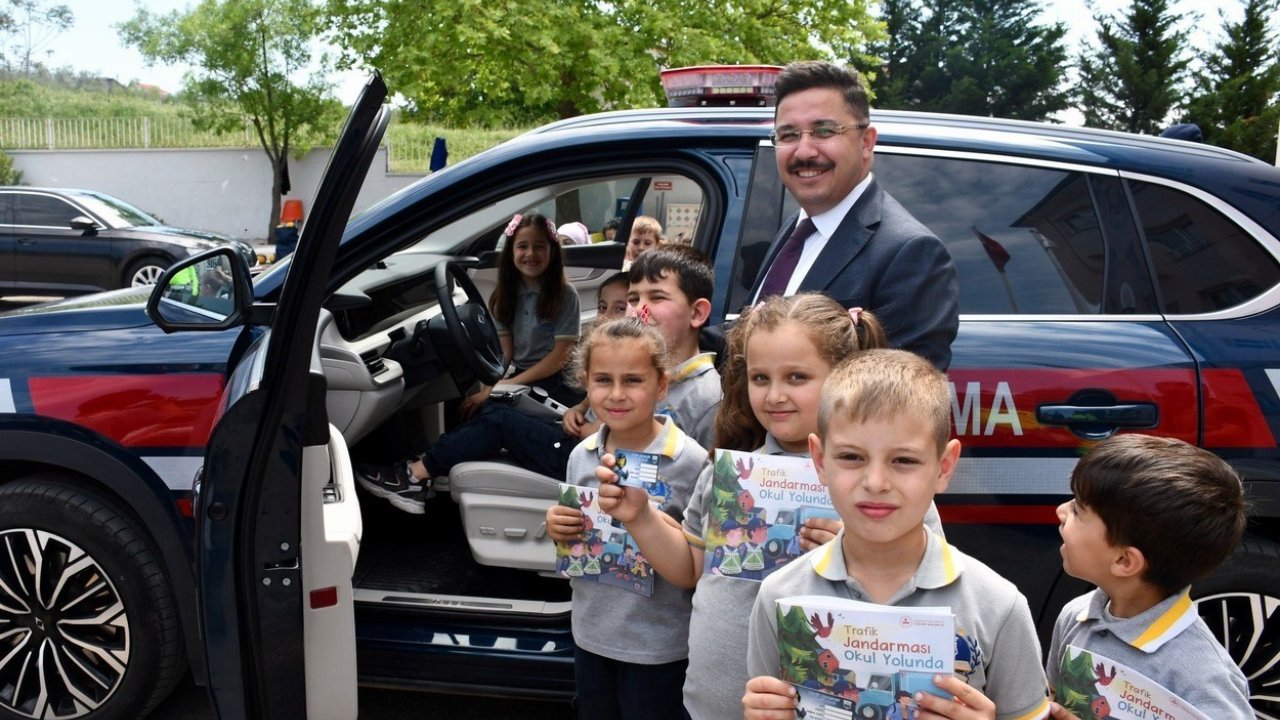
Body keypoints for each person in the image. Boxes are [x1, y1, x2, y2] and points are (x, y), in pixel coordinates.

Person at [597, 294, 915, 720]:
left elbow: (921, 600)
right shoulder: (729, 470)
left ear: (844, 377)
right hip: (715, 702)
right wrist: (639, 516)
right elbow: (691, 569)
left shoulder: (881, 483)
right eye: (760, 377)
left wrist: (866, 553)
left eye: (797, 377)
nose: (774, 395)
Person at [743, 350, 1050, 720]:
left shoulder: (998, 607)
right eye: (852, 457)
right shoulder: (779, 596)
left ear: (944, 466)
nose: (875, 483)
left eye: (903, 460)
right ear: (820, 460)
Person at [354, 272, 630, 514]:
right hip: (581, 443)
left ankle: (413, 478)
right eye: (603, 306)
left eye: (619, 308)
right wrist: (579, 410)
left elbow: (606, 434)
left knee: (499, 421)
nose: (606, 315)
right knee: (497, 410)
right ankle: (433, 463)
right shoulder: (620, 351)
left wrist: (586, 427)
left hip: (580, 457)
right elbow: (593, 401)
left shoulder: (631, 365)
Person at [544, 317, 708, 720]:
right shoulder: (581, 456)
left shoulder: (691, 462)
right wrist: (556, 528)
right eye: (603, 380)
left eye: (633, 380)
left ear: (662, 384)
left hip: (659, 646)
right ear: (585, 381)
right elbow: (575, 545)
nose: (617, 394)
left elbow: (698, 561)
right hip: (590, 634)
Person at [748, 61, 959, 370]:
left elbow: (899, 404)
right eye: (789, 134)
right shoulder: (797, 228)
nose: (804, 151)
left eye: (824, 131)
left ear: (866, 142)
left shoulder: (911, 254)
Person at [1043, 434, 1250, 719]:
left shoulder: (1202, 675)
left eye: (1078, 509)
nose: (1061, 511)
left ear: (1125, 560)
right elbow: (1053, 698)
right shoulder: (1075, 616)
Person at [467, 212, 582, 416]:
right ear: (511, 252)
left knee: (501, 415)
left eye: (539, 246)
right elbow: (506, 352)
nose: (530, 253)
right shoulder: (502, 295)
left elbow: (560, 356)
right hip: (525, 374)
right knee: (486, 408)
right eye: (522, 246)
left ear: (552, 252)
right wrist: (491, 386)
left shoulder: (565, 294)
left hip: (560, 379)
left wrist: (509, 383)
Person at [617, 244, 720, 450]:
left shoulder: (708, 400)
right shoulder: (622, 372)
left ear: (697, 313)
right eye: (633, 299)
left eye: (657, 297)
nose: (640, 310)